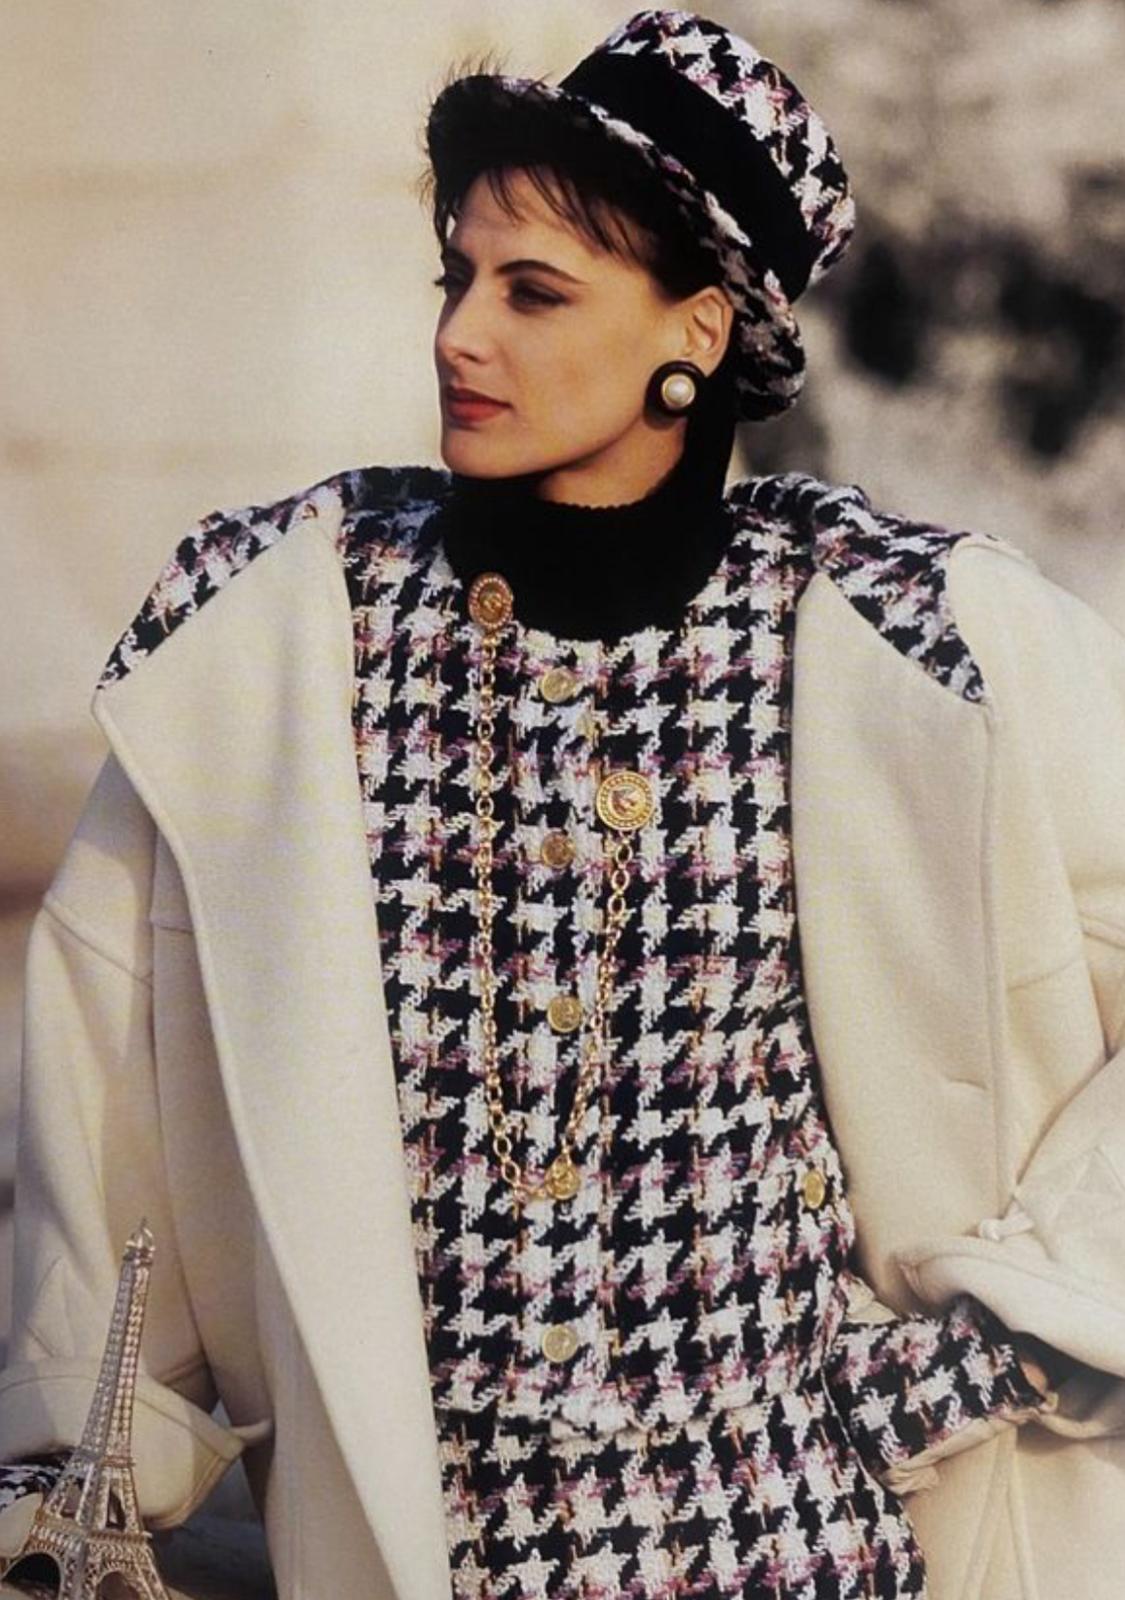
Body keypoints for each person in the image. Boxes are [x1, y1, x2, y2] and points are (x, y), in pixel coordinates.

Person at [1, 10, 1123, 1599]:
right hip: (411, 1560)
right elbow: (101, 1081)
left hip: (802, 1550)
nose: (461, 335)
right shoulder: (279, 633)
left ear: (700, 332)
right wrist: (79, 1467)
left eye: (533, 292)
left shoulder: (918, 634)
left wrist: (998, 1343)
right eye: (453, 277)